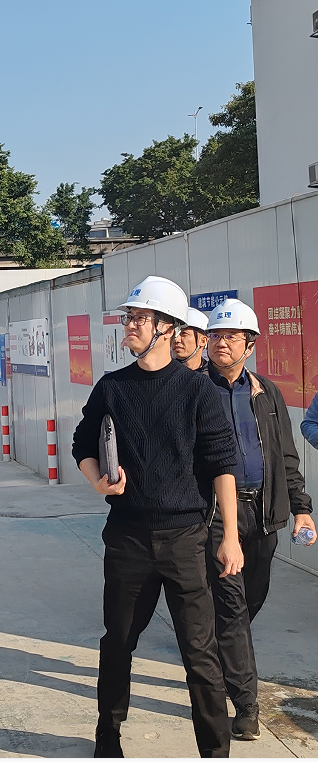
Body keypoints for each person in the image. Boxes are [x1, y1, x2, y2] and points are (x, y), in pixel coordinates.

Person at [71, 276, 243, 758]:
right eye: (128, 317)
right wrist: (98, 481)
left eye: (139, 318)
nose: (129, 325)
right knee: (118, 642)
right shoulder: (112, 387)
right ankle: (107, 739)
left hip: (186, 539)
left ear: (167, 328)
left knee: (200, 652)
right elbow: (83, 444)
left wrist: (230, 536)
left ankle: (215, 751)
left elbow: (222, 466)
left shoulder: (198, 391)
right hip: (127, 538)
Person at [204, 298, 315, 741]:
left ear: (250, 345)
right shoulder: (195, 389)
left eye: (231, 337)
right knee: (231, 608)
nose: (221, 343)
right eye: (215, 335)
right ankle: (246, 704)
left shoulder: (266, 392)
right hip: (216, 515)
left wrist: (301, 508)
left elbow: (286, 454)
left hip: (264, 513)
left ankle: (219, 657)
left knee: (251, 601)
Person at [173, 308, 211, 372]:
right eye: (174, 333)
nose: (176, 339)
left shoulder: (214, 375)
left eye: (184, 334)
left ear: (203, 341)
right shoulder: (161, 373)